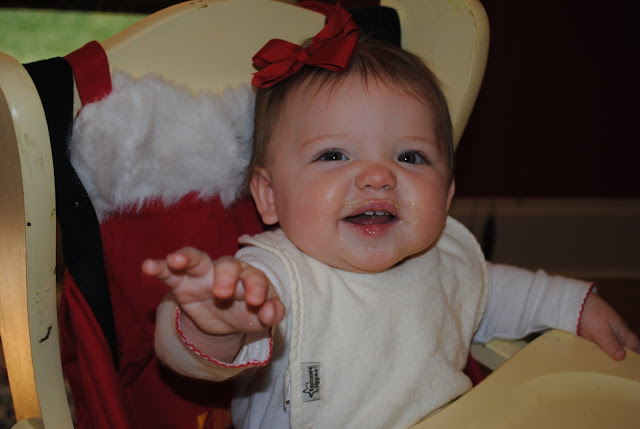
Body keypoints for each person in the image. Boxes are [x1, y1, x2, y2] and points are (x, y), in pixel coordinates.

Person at [145, 3, 639, 428]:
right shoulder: (275, 277)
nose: (378, 176)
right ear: (269, 196)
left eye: (410, 156)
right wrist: (215, 324)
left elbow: (502, 294)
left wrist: (576, 305)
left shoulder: (446, 258)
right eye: (334, 155)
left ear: (446, 194)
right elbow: (189, 358)